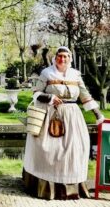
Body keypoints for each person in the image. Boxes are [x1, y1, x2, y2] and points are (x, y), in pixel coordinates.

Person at [23, 46, 104, 200]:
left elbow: (85, 96)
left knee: (76, 149)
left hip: (72, 117)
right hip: (51, 115)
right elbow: (36, 93)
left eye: (65, 56)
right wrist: (50, 98)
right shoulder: (47, 73)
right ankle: (46, 187)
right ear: (55, 58)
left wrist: (98, 115)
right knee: (50, 150)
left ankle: (72, 186)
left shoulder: (75, 75)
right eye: (60, 56)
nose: (62, 59)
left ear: (70, 58)